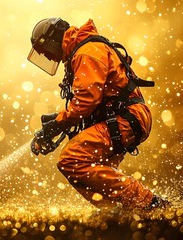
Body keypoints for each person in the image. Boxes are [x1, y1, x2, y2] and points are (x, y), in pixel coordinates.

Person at [28, 17, 168, 209]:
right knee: (92, 171)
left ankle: (150, 203)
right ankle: (116, 212)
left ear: (54, 40)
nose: (51, 58)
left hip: (126, 117)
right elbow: (89, 102)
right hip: (124, 117)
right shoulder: (82, 50)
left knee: (71, 160)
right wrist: (56, 122)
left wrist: (59, 123)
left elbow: (86, 101)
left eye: (48, 52)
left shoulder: (87, 52)